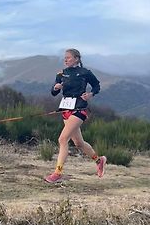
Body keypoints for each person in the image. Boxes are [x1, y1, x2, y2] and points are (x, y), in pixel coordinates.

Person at [44, 48, 107, 183]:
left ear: (77, 59)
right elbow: (53, 92)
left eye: (68, 57)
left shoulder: (85, 72)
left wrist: (90, 94)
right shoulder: (61, 74)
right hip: (65, 110)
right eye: (64, 58)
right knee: (79, 143)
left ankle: (57, 173)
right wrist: (56, 88)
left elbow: (96, 86)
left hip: (79, 109)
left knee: (62, 139)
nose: (65, 60)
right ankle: (99, 160)